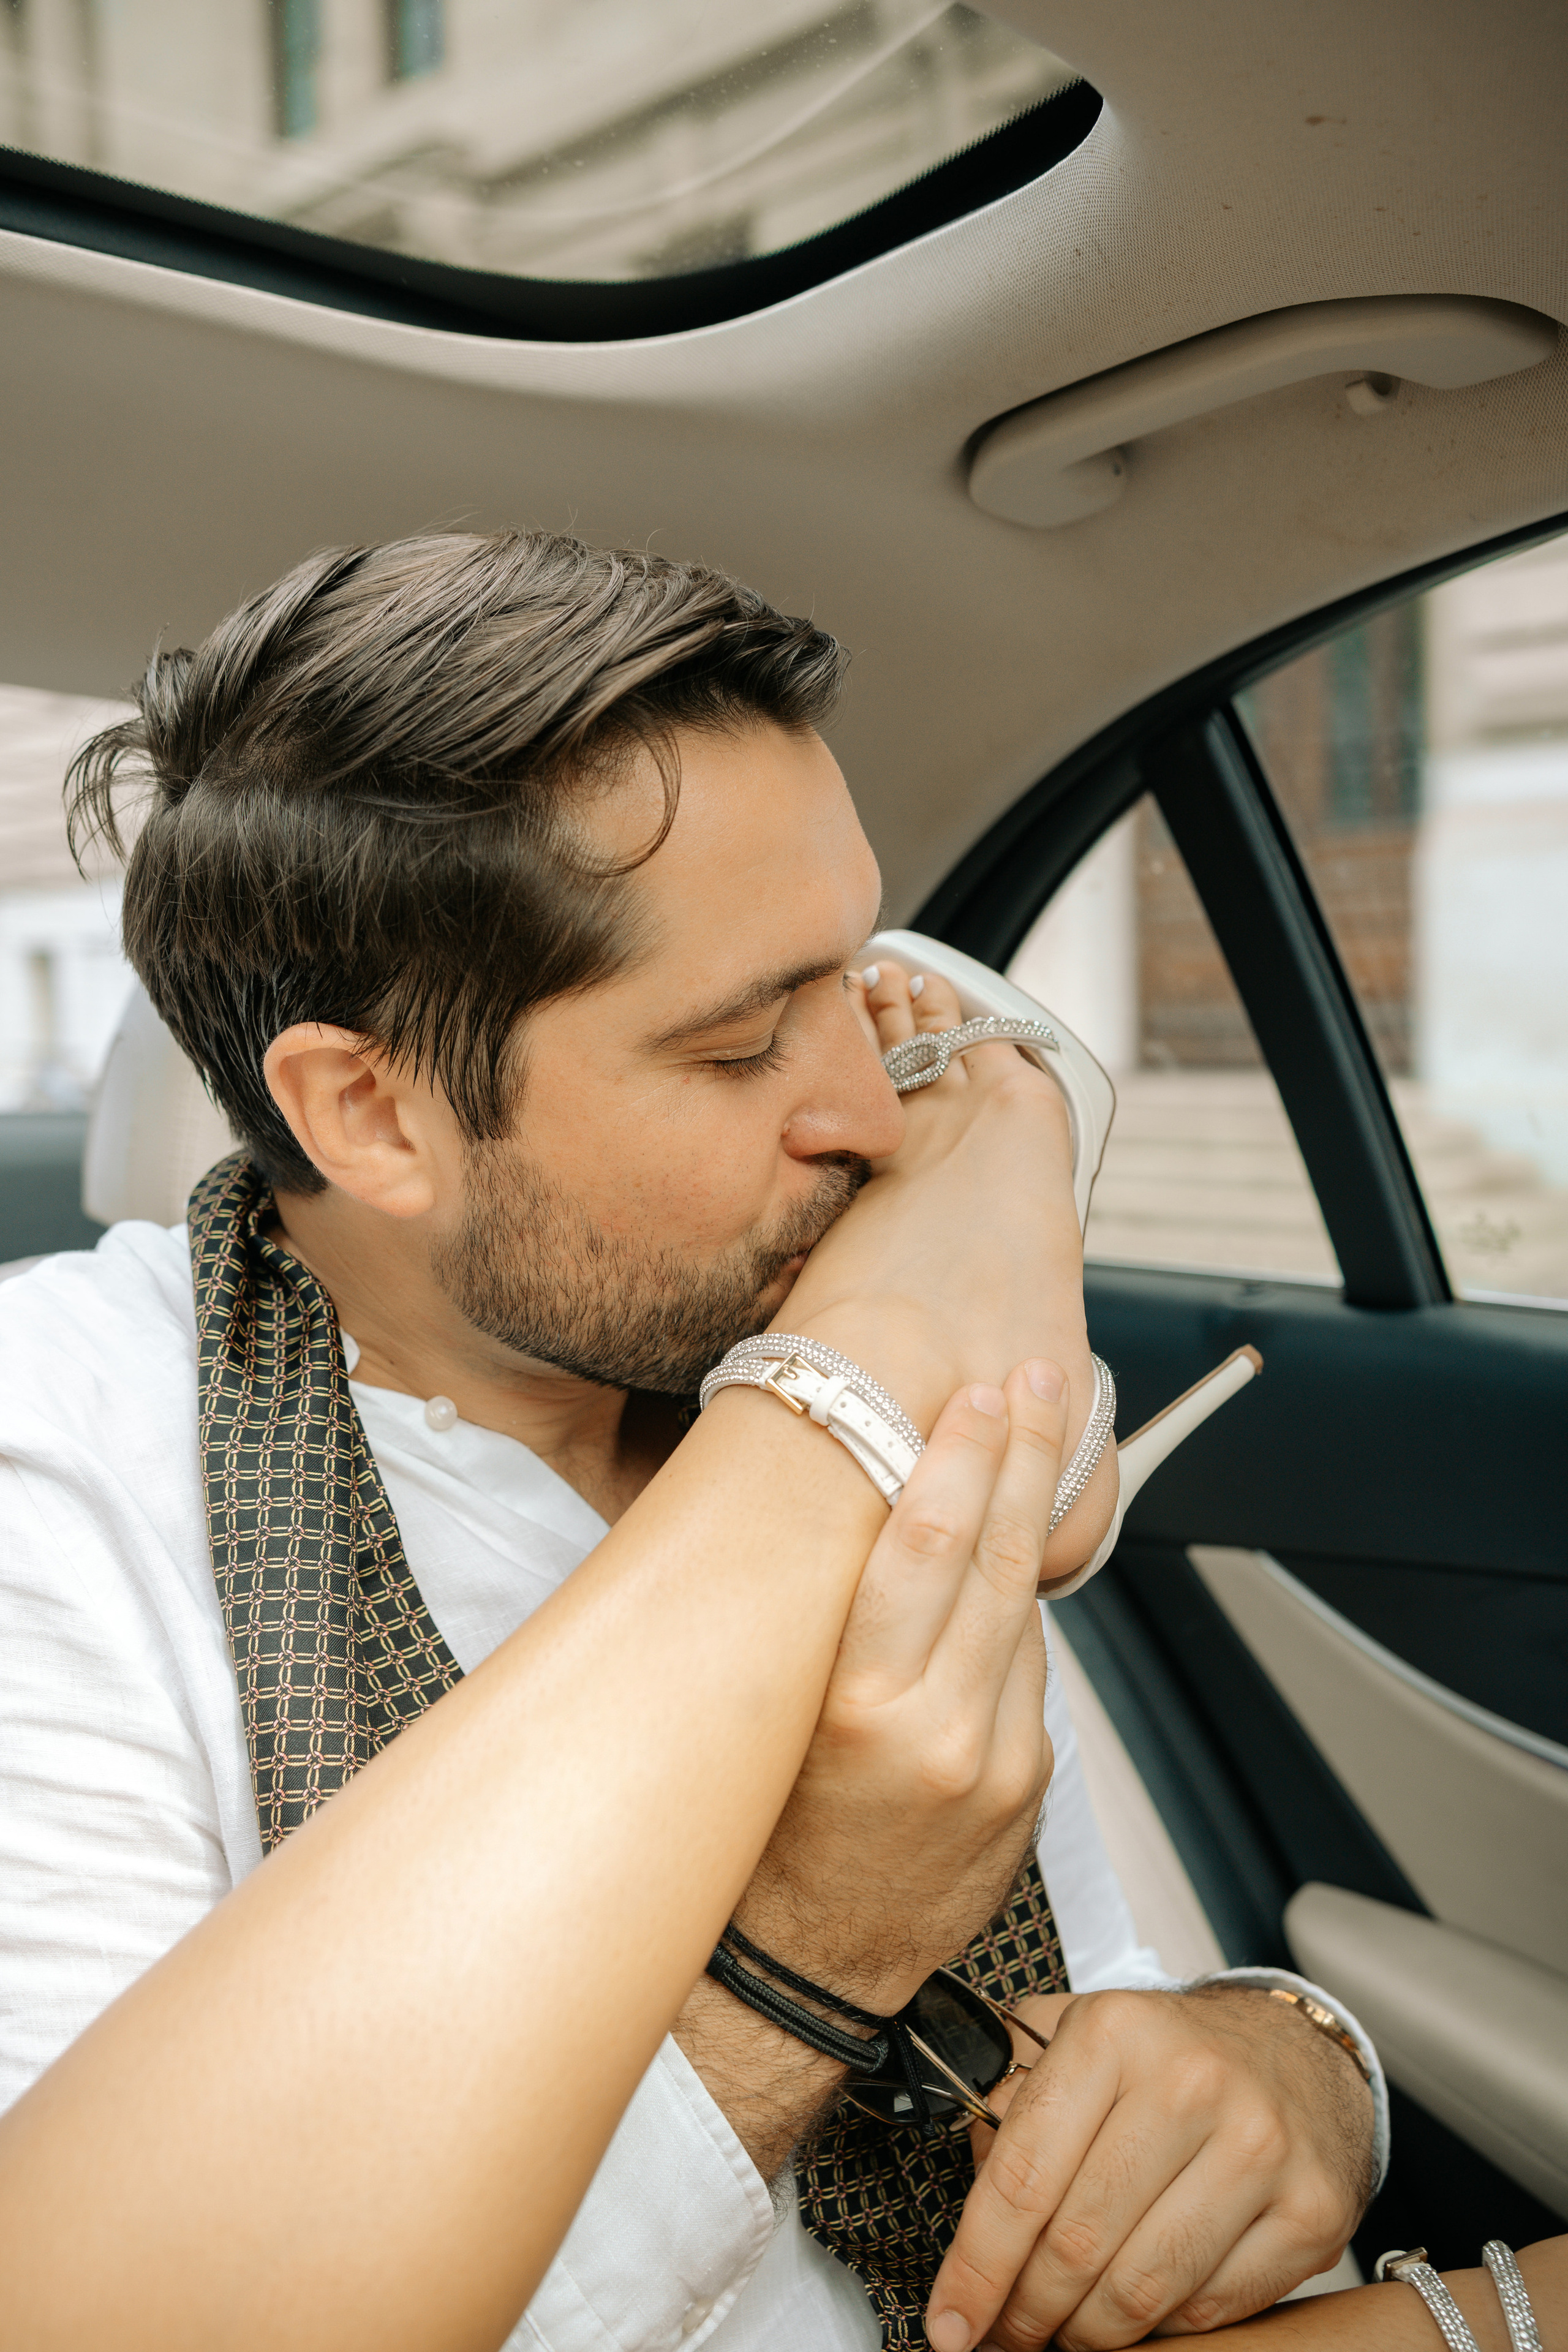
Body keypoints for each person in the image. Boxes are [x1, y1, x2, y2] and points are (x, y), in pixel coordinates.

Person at [1, 532, 1386, 2350]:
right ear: (371, 1112)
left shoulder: (772, 1332)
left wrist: (1292, 2063)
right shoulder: (58, 1488)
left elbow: (1103, 1993)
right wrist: (806, 1958)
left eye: (858, 984)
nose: (869, 1120)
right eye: (739, 1047)